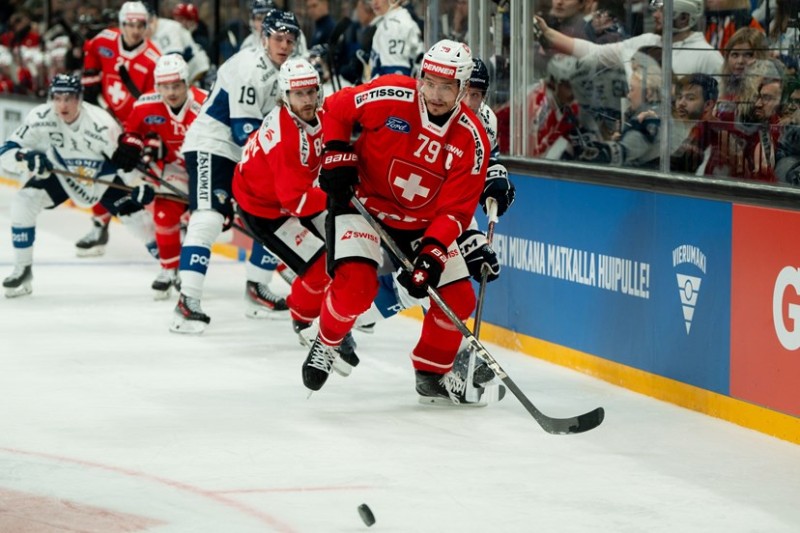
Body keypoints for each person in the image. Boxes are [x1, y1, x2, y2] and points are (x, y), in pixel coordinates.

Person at [305, 39, 495, 405]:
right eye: (430, 82)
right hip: (365, 203)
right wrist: (335, 150)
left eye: (447, 86)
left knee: (457, 299)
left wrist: (432, 253)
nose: (435, 94)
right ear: (420, 76)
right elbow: (334, 109)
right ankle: (327, 342)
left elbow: (455, 210)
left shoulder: (472, 139)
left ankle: (431, 372)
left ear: (462, 87)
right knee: (356, 287)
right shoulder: (390, 93)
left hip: (423, 223)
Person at [171, 9, 302, 334]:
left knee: (272, 215)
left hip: (249, 152)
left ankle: (256, 290)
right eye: (278, 38)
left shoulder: (288, 71)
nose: (284, 45)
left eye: (290, 39)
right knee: (209, 218)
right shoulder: (249, 68)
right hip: (213, 146)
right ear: (264, 37)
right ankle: (187, 301)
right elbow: (245, 130)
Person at [0, 74, 156, 297]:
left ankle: (172, 270)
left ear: (80, 99)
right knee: (24, 201)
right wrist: (25, 157)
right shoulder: (40, 116)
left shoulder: (101, 124)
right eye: (57, 98)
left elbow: (125, 162)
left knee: (139, 223)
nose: (63, 104)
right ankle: (22, 269)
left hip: (102, 177)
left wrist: (139, 186)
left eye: (69, 98)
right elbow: (6, 151)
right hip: (64, 173)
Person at [120, 54, 208, 299]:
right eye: (165, 86)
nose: (171, 92)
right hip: (176, 168)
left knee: (202, 223)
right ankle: (169, 269)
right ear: (157, 86)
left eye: (177, 85)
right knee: (163, 213)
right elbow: (132, 129)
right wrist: (131, 144)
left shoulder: (205, 105)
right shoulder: (147, 104)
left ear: (186, 83)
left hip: (205, 169)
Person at [77, 1, 161, 257]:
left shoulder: (154, 59)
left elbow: (152, 105)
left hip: (133, 130)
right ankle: (98, 225)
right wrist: (90, 78)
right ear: (121, 24)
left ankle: (164, 230)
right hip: (104, 123)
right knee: (96, 173)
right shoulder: (105, 39)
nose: (135, 30)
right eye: (130, 24)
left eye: (140, 25)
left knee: (140, 180)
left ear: (146, 26)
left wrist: (141, 139)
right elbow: (90, 49)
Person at [534, 0, 724, 81]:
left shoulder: (708, 57)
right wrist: (548, 34)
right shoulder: (646, 40)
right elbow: (596, 53)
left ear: (684, 18)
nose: (655, 15)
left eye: (662, 11)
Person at [145, 2, 210, 85]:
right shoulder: (150, 35)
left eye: (147, 23)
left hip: (197, 72)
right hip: (186, 74)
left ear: (153, 19)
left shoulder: (168, 27)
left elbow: (172, 60)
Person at [670, 73, 720, 174]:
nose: (681, 103)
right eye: (679, 97)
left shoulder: (710, 133)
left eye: (690, 98)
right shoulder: (674, 127)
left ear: (708, 105)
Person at [369, 0, 422, 78]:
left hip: (391, 84)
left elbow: (395, 71)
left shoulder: (395, 25)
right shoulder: (388, 21)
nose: (374, 2)